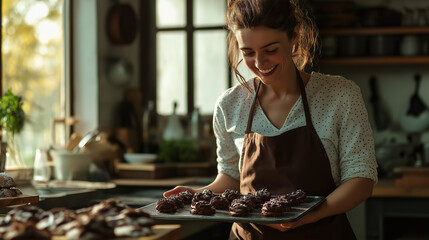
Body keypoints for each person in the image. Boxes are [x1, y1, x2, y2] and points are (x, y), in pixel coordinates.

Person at [164, 0, 378, 239]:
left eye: (271, 50)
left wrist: (311, 215)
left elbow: (361, 179)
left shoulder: (339, 96)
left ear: (294, 35)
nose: (259, 63)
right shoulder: (230, 105)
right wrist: (197, 193)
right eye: (248, 52)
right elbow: (231, 177)